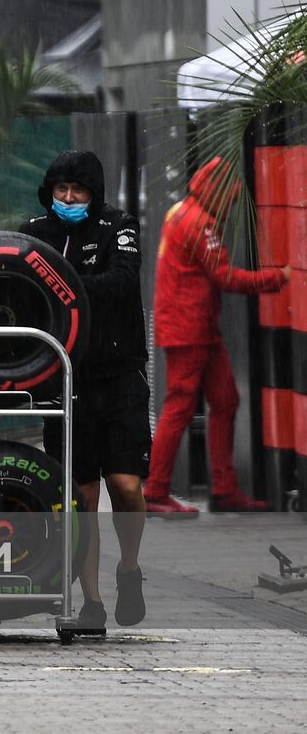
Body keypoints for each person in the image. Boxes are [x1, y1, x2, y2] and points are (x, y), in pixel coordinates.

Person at [20, 151, 148, 636]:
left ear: (94, 194)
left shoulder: (120, 226)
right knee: (81, 499)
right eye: (61, 191)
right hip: (66, 381)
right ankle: (90, 601)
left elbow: (121, 282)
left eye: (79, 191)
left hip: (120, 378)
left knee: (126, 486)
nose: (69, 200)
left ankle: (130, 569)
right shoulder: (33, 231)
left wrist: (59, 286)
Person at [144, 156, 289, 514]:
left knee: (224, 400)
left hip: (194, 327)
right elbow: (227, 278)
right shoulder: (201, 225)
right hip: (189, 330)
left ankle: (223, 489)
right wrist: (280, 277)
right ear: (218, 192)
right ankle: (156, 492)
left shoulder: (179, 211)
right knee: (180, 406)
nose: (233, 204)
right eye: (232, 197)